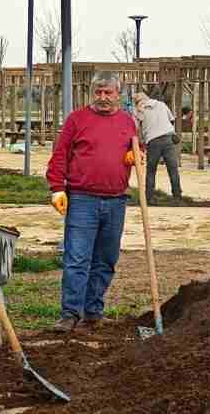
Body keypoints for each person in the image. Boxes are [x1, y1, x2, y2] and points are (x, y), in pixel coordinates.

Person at [46, 71, 139, 333]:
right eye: (98, 92)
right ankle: (70, 313)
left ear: (117, 94)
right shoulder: (77, 119)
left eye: (108, 92)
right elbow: (60, 155)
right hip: (82, 199)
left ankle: (93, 311)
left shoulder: (127, 121)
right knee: (77, 258)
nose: (103, 97)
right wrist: (57, 188)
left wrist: (136, 155)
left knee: (106, 259)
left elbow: (136, 148)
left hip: (116, 200)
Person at [132, 92, 182, 203]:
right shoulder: (161, 104)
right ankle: (177, 196)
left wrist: (141, 142)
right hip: (168, 138)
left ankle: (149, 197)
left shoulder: (138, 110)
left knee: (151, 170)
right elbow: (171, 120)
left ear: (136, 102)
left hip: (153, 141)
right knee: (173, 169)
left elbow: (136, 128)